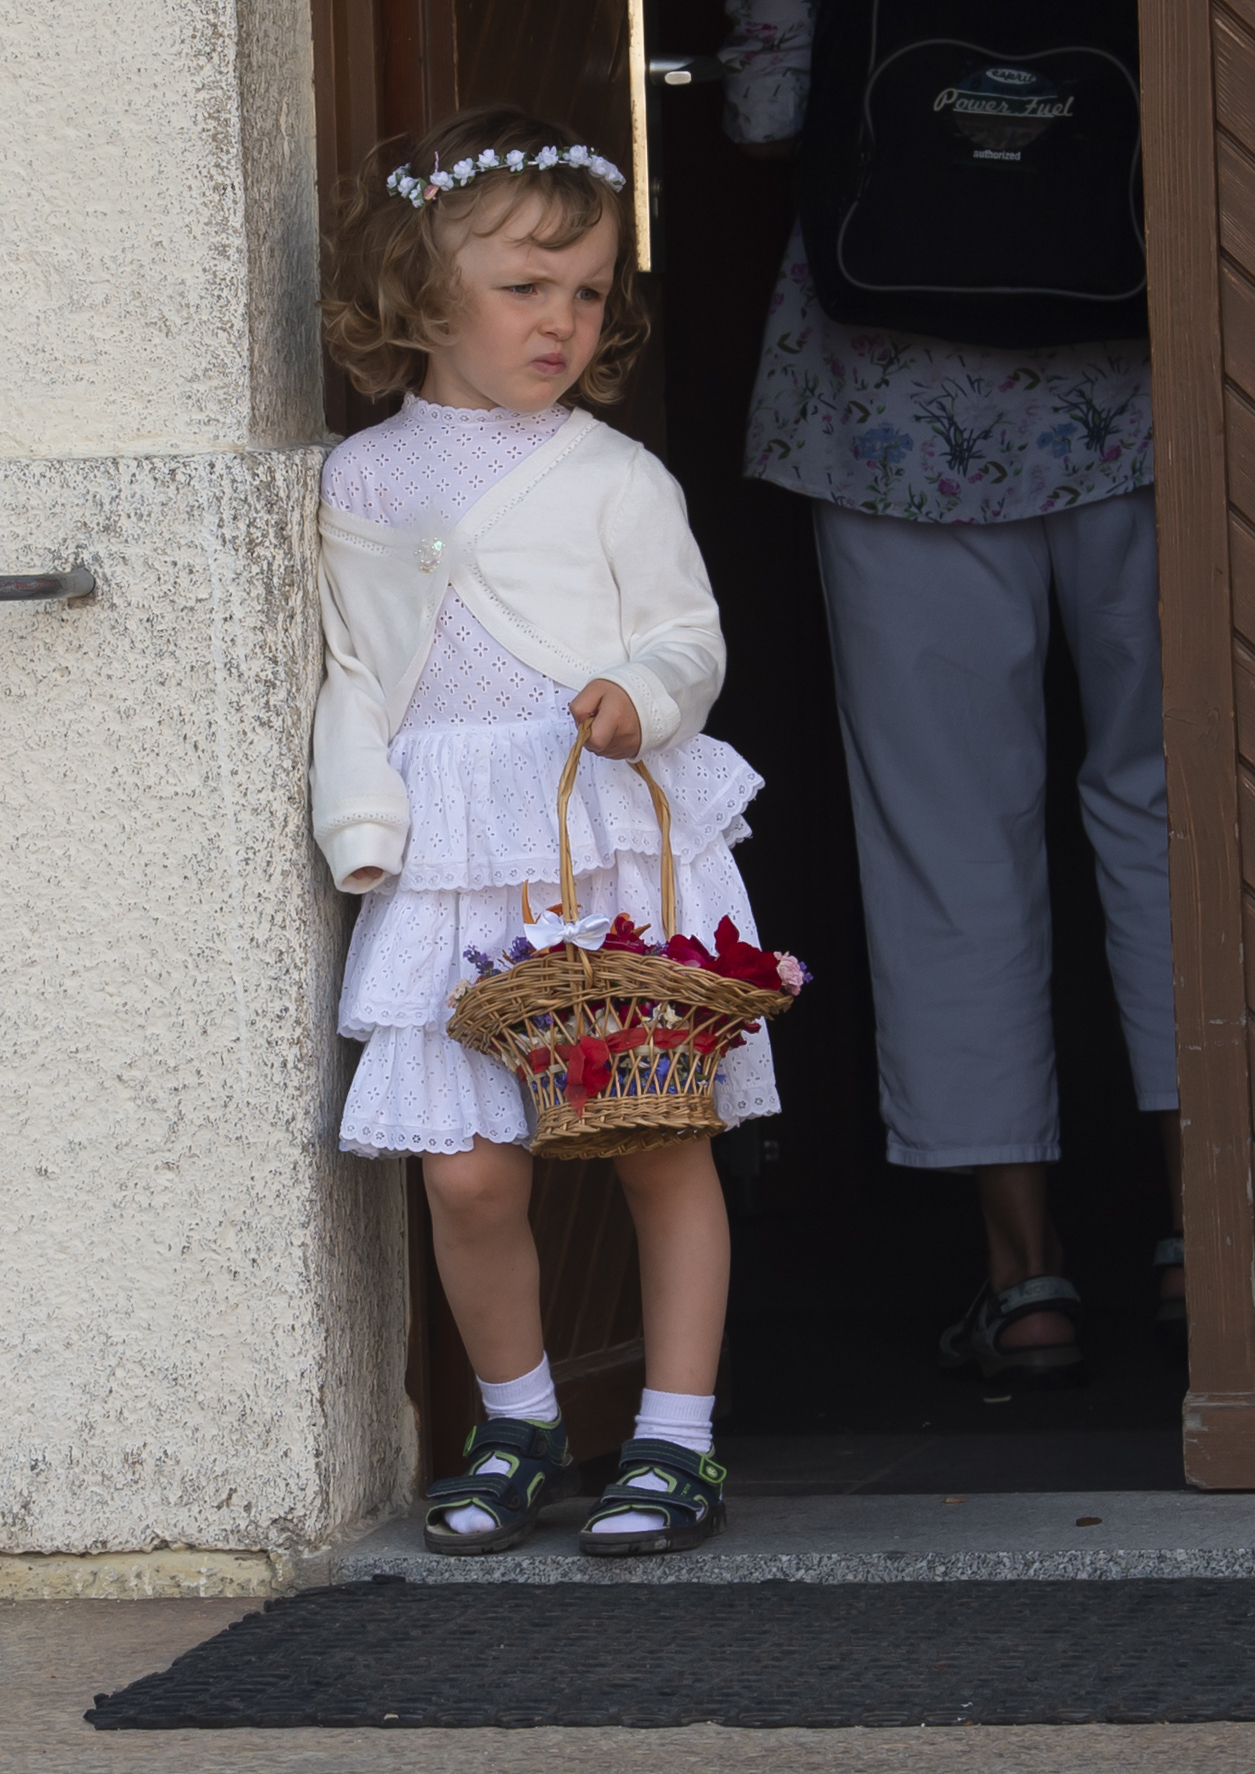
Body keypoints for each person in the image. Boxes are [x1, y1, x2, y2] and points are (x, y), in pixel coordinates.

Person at [311, 108, 770, 1559]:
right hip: (453, 850)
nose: (562, 321)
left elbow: (689, 637)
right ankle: (517, 1419)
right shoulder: (360, 479)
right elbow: (354, 670)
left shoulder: (615, 476)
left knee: (652, 1135)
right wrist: (363, 817)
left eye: (586, 293)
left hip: (601, 840)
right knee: (468, 1168)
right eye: (525, 287)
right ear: (419, 285)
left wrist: (642, 696)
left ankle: (677, 1439)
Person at [720, 0, 1182, 1383]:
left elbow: (760, 112)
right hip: (1149, 380)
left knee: (948, 838)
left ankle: (1021, 1273)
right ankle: (1205, 1247)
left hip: (890, 410)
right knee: (1176, 816)